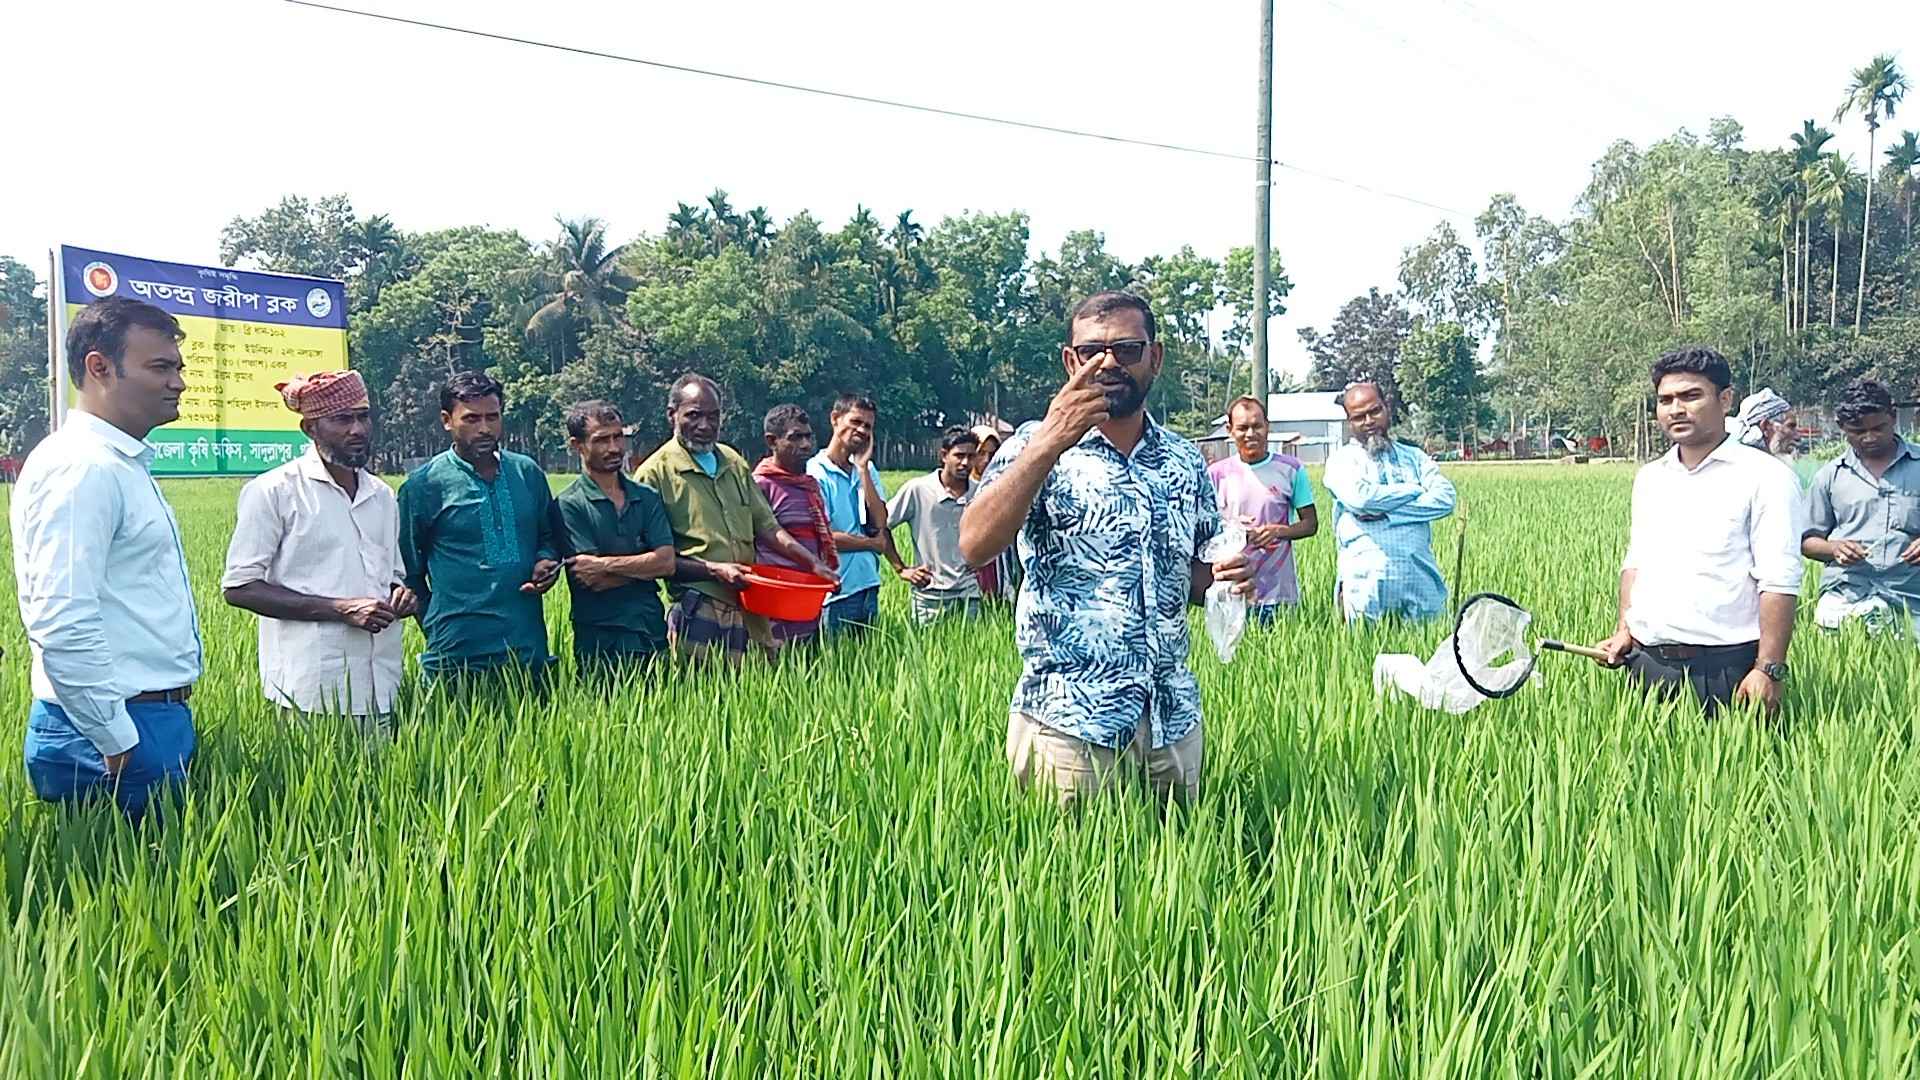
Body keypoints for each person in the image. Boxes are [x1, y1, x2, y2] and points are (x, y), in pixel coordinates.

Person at [960, 291, 1252, 809]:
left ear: (1154, 358)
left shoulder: (1183, 460)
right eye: (1093, 350)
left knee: (1180, 873)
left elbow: (1188, 575)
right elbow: (975, 546)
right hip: (1071, 722)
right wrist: (1051, 442)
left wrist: (1226, 576)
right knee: (1075, 883)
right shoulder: (1032, 447)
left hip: (1171, 719)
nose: (1109, 363)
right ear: (1071, 361)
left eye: (1127, 349)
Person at [11, 297, 200, 816]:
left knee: (159, 888)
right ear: (99, 367)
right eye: (160, 367)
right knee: (132, 892)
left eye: (178, 368)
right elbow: (63, 617)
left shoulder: (118, 462)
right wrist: (117, 741)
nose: (178, 382)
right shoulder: (83, 469)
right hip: (107, 729)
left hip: (135, 721)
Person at [1592, 346, 1802, 715]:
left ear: (1725, 400)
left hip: (1726, 670)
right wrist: (1624, 629)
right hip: (1646, 665)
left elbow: (1779, 581)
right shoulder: (1651, 478)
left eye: (1691, 396)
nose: (1676, 408)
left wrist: (1768, 669)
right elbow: (1636, 563)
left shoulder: (1766, 477)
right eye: (1665, 399)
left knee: (1733, 769)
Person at [222, 370, 416, 735]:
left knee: (385, 789)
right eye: (342, 419)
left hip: (380, 684)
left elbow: (390, 574)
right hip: (311, 691)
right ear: (309, 428)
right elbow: (239, 587)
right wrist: (339, 609)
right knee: (318, 787)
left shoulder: (382, 495)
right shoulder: (274, 491)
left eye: (362, 417)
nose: (356, 429)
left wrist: (399, 596)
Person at [634, 374, 836, 661]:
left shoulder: (732, 461)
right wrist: (714, 570)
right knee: (702, 696)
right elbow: (653, 557)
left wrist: (811, 562)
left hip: (750, 598)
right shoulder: (655, 473)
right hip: (699, 604)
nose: (705, 425)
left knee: (755, 695)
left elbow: (766, 525)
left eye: (713, 416)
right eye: (694, 415)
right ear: (672, 415)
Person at [397, 371, 562, 689]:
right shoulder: (424, 486)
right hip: (455, 655)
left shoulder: (526, 473)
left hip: (526, 648)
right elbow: (408, 571)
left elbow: (549, 536)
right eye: (471, 419)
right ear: (447, 420)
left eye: (492, 417)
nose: (485, 429)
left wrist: (545, 561)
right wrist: (437, 627)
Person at [554, 400, 676, 679]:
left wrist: (605, 565)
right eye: (601, 440)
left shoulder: (645, 497)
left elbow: (667, 563)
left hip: (650, 632)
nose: (614, 448)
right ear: (577, 445)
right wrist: (645, 567)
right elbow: (590, 579)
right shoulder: (569, 505)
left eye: (618, 437)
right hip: (601, 640)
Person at [1321, 382, 1456, 622]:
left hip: (1420, 578)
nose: (1369, 421)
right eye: (1359, 417)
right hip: (1364, 585)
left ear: (1387, 409)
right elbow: (1362, 499)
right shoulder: (1341, 461)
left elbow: (1445, 499)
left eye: (1375, 411)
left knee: (1427, 653)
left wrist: (1390, 514)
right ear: (1350, 423)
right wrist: (1415, 490)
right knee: (1363, 654)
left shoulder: (1414, 457)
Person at [1801, 378, 1920, 642]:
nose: (1869, 437)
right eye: (1857, 431)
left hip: (1912, 593)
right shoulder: (1829, 476)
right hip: (1848, 592)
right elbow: (1807, 541)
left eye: (1879, 428)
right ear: (1842, 427)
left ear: (1893, 416)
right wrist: (1834, 549)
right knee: (1843, 669)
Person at [1206, 395, 1319, 619]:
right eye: (1243, 428)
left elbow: (1310, 524)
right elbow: (1205, 528)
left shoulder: (1291, 469)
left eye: (1257, 426)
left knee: (1283, 650)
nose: (1250, 434)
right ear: (1230, 430)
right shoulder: (1216, 474)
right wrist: (1236, 532)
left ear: (1268, 427)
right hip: (1232, 586)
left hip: (1279, 591)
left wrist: (1278, 531)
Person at [809, 393, 909, 635]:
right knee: (837, 668)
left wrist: (863, 468)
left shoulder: (867, 469)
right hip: (835, 591)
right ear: (835, 419)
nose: (862, 430)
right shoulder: (815, 473)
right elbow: (826, 538)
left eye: (868, 426)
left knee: (867, 661)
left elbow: (881, 520)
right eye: (855, 422)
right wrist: (872, 543)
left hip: (868, 583)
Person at [752, 404, 839, 650]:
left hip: (808, 598)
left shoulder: (809, 486)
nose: (805, 445)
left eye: (808, 436)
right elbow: (761, 537)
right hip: (776, 603)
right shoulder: (761, 486)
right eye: (795, 438)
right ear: (772, 441)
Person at [886, 426, 983, 624]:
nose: (966, 463)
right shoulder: (919, 489)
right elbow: (881, 526)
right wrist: (901, 569)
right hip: (929, 597)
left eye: (971, 456)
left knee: (970, 652)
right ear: (944, 455)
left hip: (969, 594)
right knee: (929, 652)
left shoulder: (980, 492)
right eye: (959, 455)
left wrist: (984, 562)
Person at [970, 424, 1022, 603]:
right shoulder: (964, 487)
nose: (986, 460)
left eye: (992, 454)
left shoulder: (1003, 485)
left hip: (1001, 556)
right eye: (981, 453)